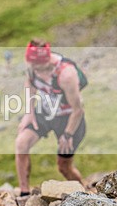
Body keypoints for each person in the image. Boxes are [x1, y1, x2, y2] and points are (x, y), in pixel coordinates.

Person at [15, 40, 87, 195]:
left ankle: (85, 195)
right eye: (32, 66)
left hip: (69, 118)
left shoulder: (66, 74)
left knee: (64, 167)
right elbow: (30, 84)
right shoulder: (32, 67)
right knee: (21, 143)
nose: (35, 70)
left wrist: (67, 134)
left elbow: (78, 110)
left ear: (46, 60)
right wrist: (29, 113)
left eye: (38, 67)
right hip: (47, 112)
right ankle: (24, 193)